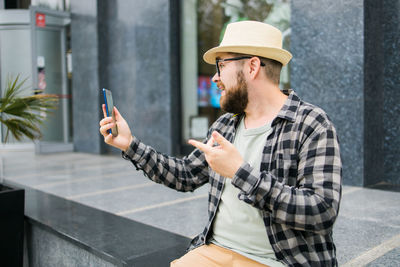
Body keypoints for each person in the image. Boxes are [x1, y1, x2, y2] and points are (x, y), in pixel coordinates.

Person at [99, 21, 342, 267]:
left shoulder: (311, 123)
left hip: (283, 260)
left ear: (252, 66)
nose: (215, 77)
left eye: (221, 65)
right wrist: (129, 144)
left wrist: (240, 173)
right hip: (216, 250)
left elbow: (321, 211)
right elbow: (185, 175)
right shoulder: (225, 125)